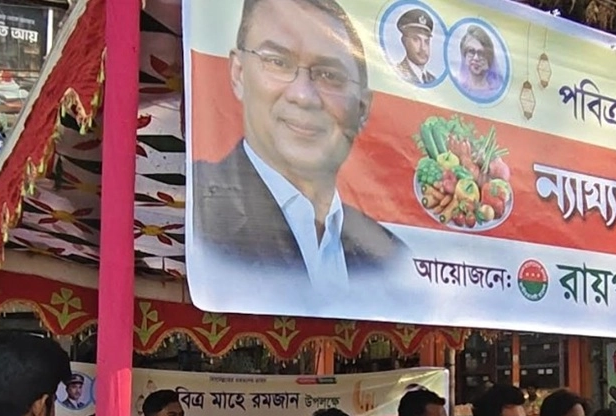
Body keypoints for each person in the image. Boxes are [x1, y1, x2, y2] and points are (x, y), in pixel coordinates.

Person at [190, 0, 411, 300]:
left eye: (329, 75)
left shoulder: (391, 257)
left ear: (362, 108)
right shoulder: (193, 205)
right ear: (239, 73)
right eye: (278, 62)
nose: (303, 96)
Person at [455, 25, 504, 100]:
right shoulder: (457, 86)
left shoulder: (497, 90)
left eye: (481, 53)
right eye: (471, 51)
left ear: (489, 57)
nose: (476, 58)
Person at [393, 8, 435, 86]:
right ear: (404, 41)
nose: (423, 48)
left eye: (426, 41)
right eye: (416, 40)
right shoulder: (395, 72)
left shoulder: (432, 79)